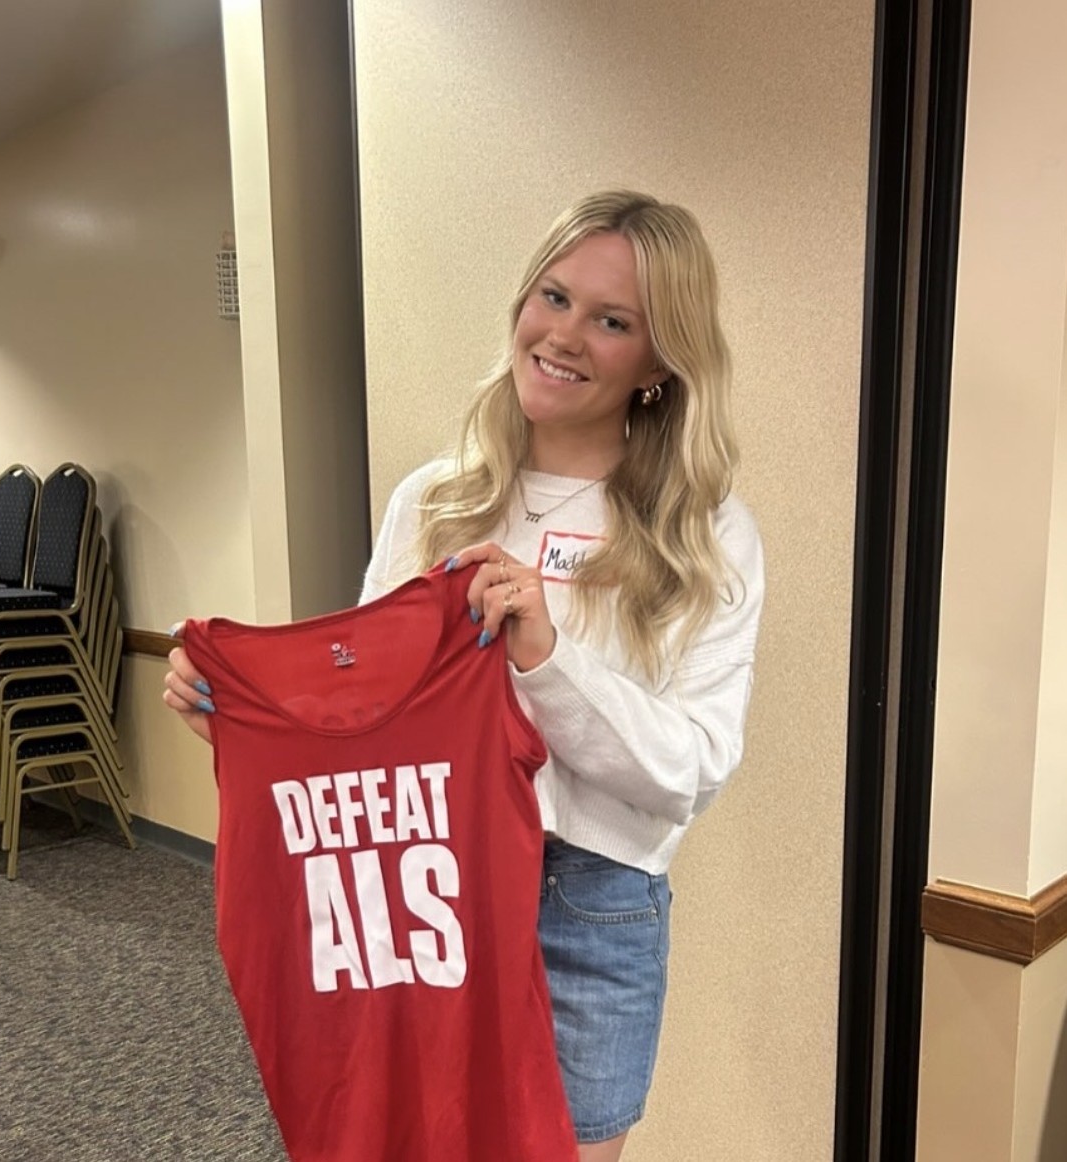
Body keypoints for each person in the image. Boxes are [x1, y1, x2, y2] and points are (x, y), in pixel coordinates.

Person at [164, 189, 764, 1161]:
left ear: (660, 361)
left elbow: (690, 772)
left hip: (590, 904)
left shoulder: (706, 535)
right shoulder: (435, 501)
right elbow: (368, 710)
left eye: (612, 321)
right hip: (423, 882)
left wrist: (548, 661)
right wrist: (237, 714)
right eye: (554, 297)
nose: (564, 335)